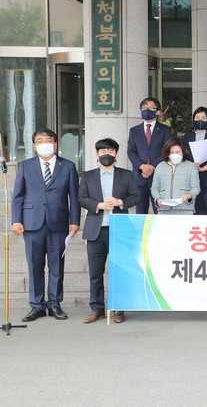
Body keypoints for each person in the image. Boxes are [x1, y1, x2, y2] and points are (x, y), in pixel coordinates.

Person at [11, 129, 80, 322]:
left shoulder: (68, 166)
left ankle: (54, 304)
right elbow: (18, 196)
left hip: (59, 223)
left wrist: (75, 221)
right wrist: (16, 220)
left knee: (57, 266)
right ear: (34, 146)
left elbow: (74, 197)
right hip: (32, 223)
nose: (44, 144)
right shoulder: (25, 166)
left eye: (48, 140)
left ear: (55, 144)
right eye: (39, 141)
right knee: (35, 266)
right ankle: (37, 305)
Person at [78, 138, 139, 324]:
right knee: (95, 273)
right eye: (103, 151)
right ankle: (97, 309)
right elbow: (81, 199)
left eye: (111, 151)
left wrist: (120, 202)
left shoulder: (126, 175)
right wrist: (98, 205)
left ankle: (119, 308)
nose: (107, 154)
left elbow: (135, 196)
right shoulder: (88, 176)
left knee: (119, 271)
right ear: (97, 154)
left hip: (119, 229)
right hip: (95, 231)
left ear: (116, 154)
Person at [127, 97, 172, 213]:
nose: (147, 110)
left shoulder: (165, 130)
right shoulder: (134, 131)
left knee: (160, 210)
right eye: (144, 108)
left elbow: (167, 151)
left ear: (157, 111)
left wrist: (151, 167)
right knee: (140, 212)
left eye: (151, 108)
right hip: (139, 176)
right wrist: (142, 167)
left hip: (158, 175)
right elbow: (131, 151)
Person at [182, 107, 207, 215]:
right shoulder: (187, 137)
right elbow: (183, 156)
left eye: (203, 118)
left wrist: (203, 168)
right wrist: (190, 165)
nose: (200, 120)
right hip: (190, 174)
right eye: (197, 117)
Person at [151, 138, 200, 215]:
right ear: (167, 153)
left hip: (185, 210)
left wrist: (189, 195)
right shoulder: (160, 166)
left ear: (183, 151)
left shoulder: (190, 166)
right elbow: (154, 188)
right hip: (164, 210)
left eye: (178, 152)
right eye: (172, 152)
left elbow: (196, 188)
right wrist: (158, 199)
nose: (175, 154)